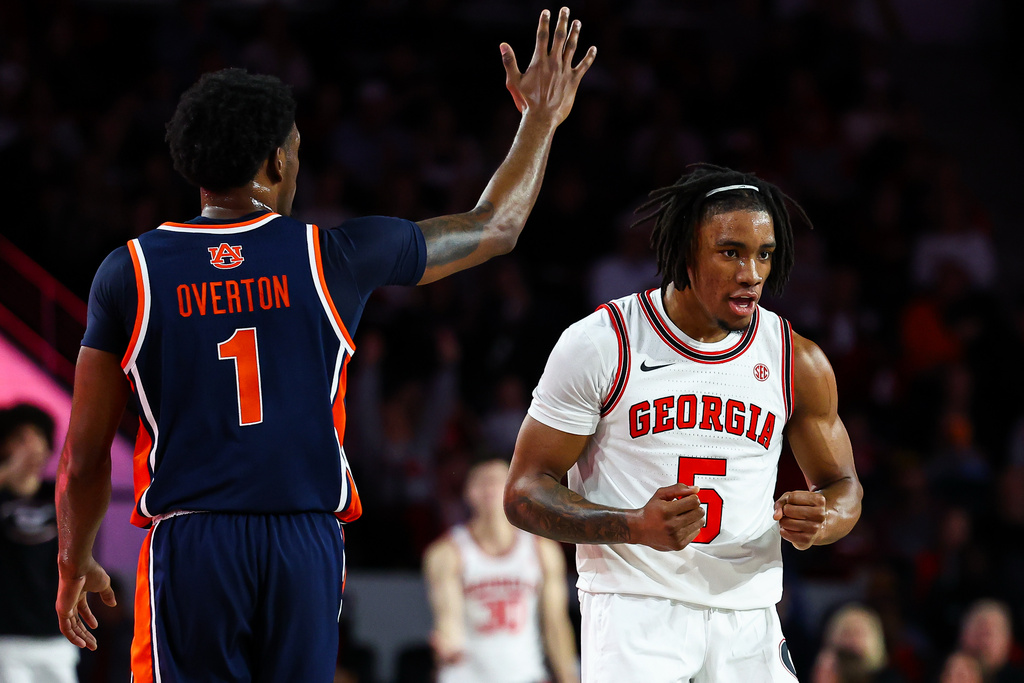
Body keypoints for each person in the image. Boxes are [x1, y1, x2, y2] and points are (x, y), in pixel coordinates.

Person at [54, 8, 596, 682]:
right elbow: (495, 226)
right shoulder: (330, 255)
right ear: (276, 161)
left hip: (195, 535)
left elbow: (82, 456)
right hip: (303, 536)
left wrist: (73, 559)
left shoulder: (128, 271)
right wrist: (539, 121)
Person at [504, 164, 863, 682]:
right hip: (635, 607)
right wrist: (634, 525)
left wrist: (824, 519)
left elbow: (844, 487)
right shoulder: (604, 343)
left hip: (749, 614)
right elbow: (522, 493)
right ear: (686, 254)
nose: (752, 273)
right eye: (731, 252)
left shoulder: (795, 359)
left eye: (764, 254)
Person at [423, 458, 579, 683]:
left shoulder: (542, 550)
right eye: (482, 482)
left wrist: (568, 676)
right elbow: (448, 614)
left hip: (526, 676)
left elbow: (555, 624)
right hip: (465, 676)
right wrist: (448, 644)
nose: (489, 488)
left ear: (513, 488)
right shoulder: (447, 554)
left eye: (496, 481)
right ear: (468, 492)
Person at [0, 403, 80, 683]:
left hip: (56, 637)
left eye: (37, 438)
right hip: (8, 640)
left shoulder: (60, 497)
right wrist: (7, 474)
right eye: (20, 438)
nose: (30, 447)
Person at [958, 599, 1024, 683]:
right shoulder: (939, 673)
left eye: (990, 632)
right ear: (962, 634)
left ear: (1007, 642)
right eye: (979, 629)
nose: (983, 640)